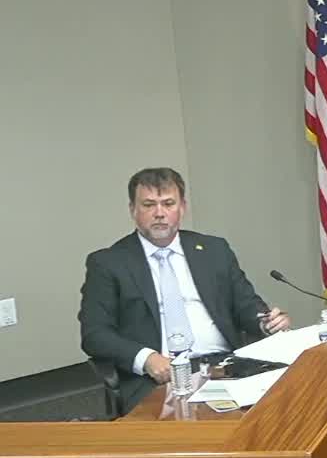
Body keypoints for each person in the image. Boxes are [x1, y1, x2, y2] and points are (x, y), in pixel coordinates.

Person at [79, 167, 291, 414]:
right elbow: (95, 334)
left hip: (224, 365)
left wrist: (266, 322)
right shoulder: (109, 263)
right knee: (188, 429)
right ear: (133, 210)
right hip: (157, 378)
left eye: (168, 203)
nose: (159, 213)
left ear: (182, 208)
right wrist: (146, 359)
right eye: (149, 205)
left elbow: (246, 305)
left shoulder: (214, 250)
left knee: (286, 403)